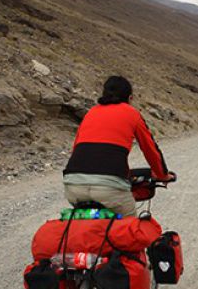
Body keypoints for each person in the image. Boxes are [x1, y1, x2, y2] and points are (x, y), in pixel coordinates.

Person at [63, 75, 174, 217]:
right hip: (109, 189)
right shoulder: (132, 114)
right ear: (130, 98)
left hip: (73, 186)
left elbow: (76, 149)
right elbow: (150, 149)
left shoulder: (91, 113)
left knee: (88, 224)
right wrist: (163, 175)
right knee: (130, 225)